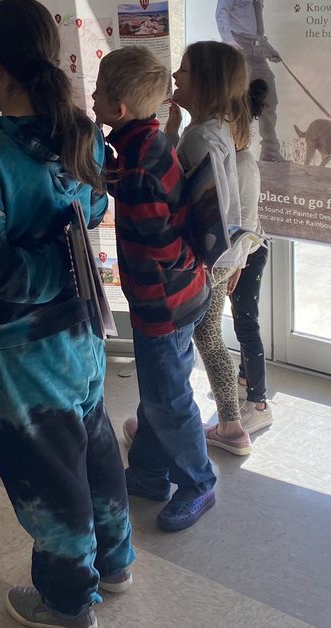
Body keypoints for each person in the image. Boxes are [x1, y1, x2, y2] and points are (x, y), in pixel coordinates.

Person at [0, 0, 133, 628]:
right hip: (83, 330)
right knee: (92, 444)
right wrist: (67, 256)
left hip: (24, 350)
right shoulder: (78, 131)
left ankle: (67, 603)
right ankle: (116, 560)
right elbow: (97, 209)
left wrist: (45, 257)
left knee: (47, 476)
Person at [91, 46, 216, 532]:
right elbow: (130, 180)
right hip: (183, 294)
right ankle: (146, 473)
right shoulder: (147, 144)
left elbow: (154, 236)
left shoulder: (141, 162)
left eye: (98, 92)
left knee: (169, 399)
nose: (94, 98)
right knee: (158, 391)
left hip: (161, 304)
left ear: (117, 109)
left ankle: (198, 482)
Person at [165, 41, 252, 456]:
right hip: (220, 260)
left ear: (204, 82)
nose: (175, 76)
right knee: (207, 336)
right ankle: (230, 425)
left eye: (183, 70)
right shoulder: (216, 131)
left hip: (201, 263)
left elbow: (180, 201)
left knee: (192, 340)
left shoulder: (200, 138)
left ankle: (207, 428)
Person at [215, 0, 287, 162]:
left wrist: (269, 49)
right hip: (239, 50)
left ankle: (270, 153)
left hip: (257, 50)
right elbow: (222, 13)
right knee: (240, 102)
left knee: (270, 98)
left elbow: (255, 27)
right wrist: (229, 42)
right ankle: (236, 150)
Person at [230, 79, 273, 434]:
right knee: (241, 317)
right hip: (245, 252)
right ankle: (244, 383)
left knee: (246, 323)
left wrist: (239, 263)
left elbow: (245, 223)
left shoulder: (244, 164)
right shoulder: (234, 158)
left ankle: (259, 403)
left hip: (251, 252)